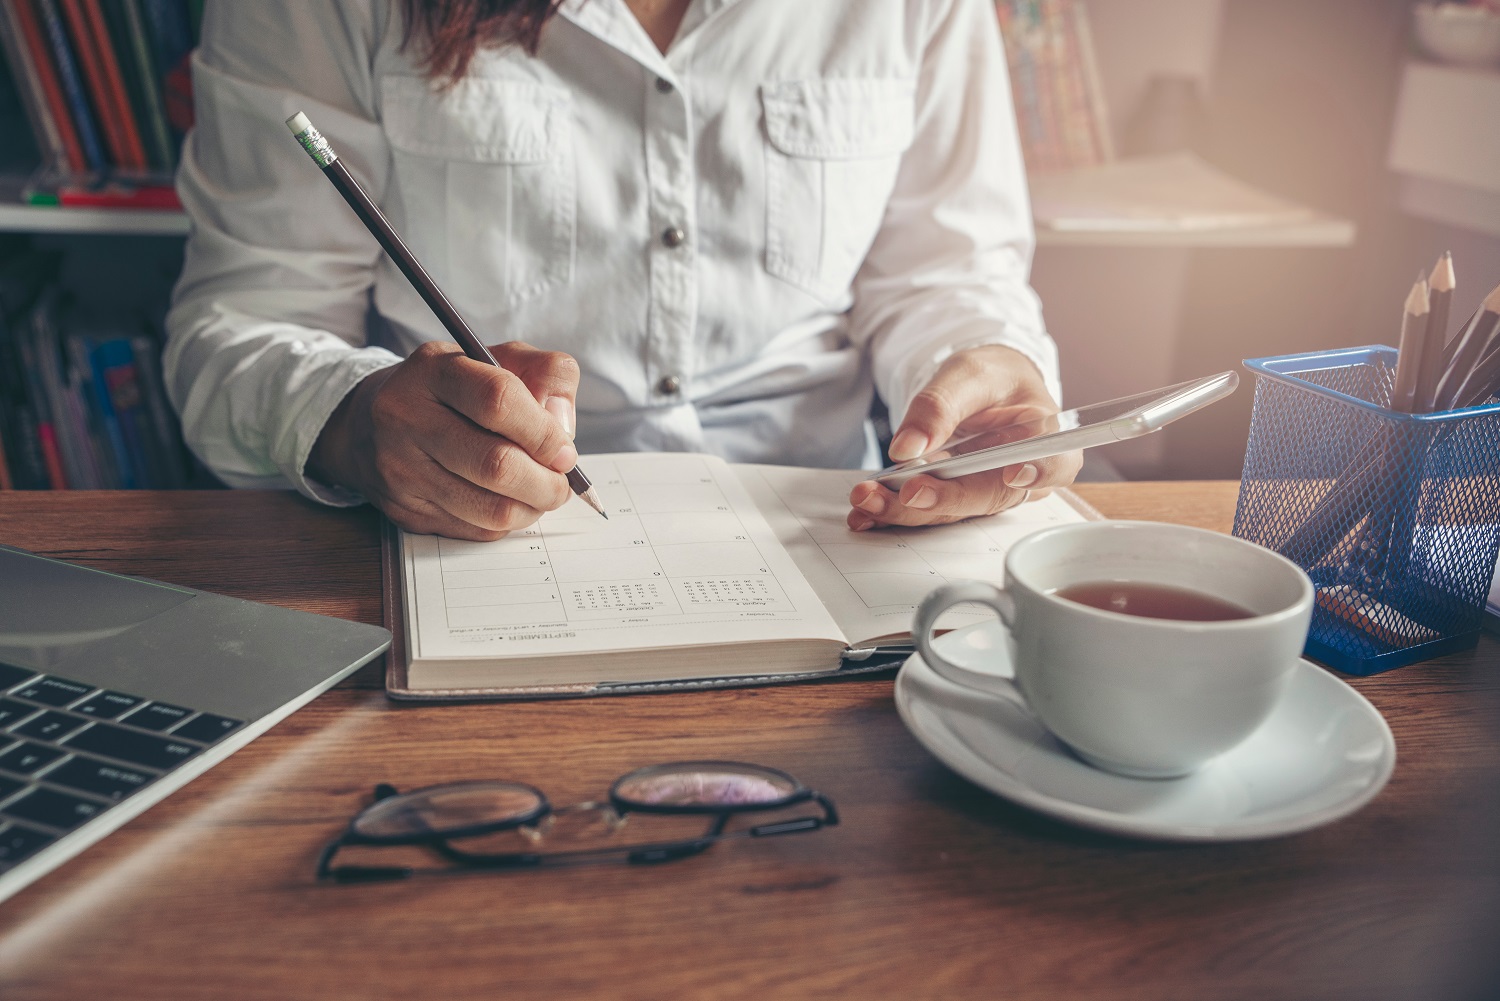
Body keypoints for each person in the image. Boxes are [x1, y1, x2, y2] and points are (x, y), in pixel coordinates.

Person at [165, 0, 1074, 541]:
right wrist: (355, 421)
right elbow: (238, 322)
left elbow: (949, 269)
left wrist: (985, 369)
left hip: (838, 526)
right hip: (468, 543)